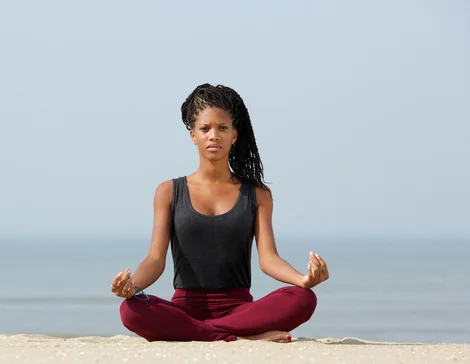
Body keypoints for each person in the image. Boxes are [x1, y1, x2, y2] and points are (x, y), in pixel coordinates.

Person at [111, 83, 329, 343]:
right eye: (205, 128)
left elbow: (269, 259)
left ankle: (205, 332)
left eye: (222, 128)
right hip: (184, 308)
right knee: (130, 309)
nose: (214, 135)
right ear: (193, 135)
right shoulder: (168, 191)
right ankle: (239, 337)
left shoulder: (257, 194)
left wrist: (303, 279)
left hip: (238, 309)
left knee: (303, 299)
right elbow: (155, 260)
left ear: (234, 135)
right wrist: (132, 287)